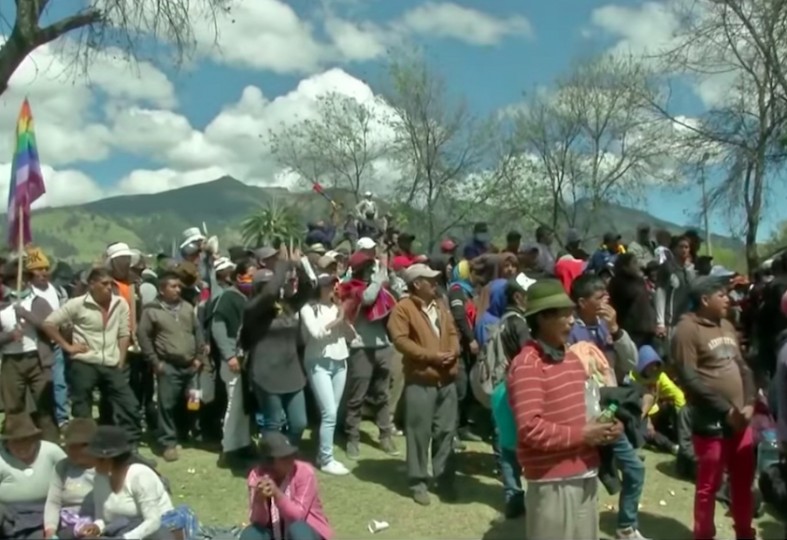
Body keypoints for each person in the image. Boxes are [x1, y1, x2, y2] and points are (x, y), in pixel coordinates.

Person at [507, 280, 622, 540]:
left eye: (572, 313)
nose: (572, 321)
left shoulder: (571, 359)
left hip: (586, 474)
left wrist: (607, 427)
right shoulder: (527, 365)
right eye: (565, 314)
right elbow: (530, 428)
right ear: (543, 318)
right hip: (552, 483)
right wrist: (583, 435)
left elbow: (586, 411)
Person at [672, 276, 756, 540]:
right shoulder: (687, 330)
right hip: (711, 424)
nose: (728, 299)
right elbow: (689, 378)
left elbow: (742, 367)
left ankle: (744, 532)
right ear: (705, 300)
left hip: (742, 422)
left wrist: (750, 404)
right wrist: (726, 410)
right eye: (722, 295)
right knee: (709, 486)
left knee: (743, 485)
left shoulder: (728, 325)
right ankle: (704, 534)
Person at [43, 267, 142, 447]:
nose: (109, 288)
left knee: (129, 404)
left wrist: (120, 360)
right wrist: (68, 346)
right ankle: (85, 446)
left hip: (111, 362)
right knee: (82, 407)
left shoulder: (120, 304)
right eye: (104, 284)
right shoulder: (77, 304)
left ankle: (130, 445)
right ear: (92, 284)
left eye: (111, 284)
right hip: (85, 361)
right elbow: (49, 323)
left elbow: (123, 333)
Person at [388, 264, 460, 506]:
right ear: (416, 283)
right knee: (419, 433)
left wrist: (453, 352)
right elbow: (400, 340)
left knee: (446, 431)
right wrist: (431, 357)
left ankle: (444, 479)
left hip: (447, 379)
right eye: (430, 280)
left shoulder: (441, 306)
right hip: (421, 379)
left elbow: (452, 332)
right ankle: (418, 481)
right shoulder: (403, 309)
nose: (435, 283)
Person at [243, 247, 310, 447]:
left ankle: (285, 456)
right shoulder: (251, 310)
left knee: (299, 423)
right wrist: (282, 265)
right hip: (266, 373)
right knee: (273, 423)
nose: (270, 288)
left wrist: (300, 266)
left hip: (292, 373)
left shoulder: (287, 306)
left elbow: (307, 289)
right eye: (264, 285)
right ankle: (272, 465)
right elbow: (270, 293)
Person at [137, 271, 207, 462]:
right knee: (167, 405)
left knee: (194, 401)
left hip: (191, 365)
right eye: (173, 286)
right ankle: (168, 442)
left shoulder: (186, 307)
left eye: (179, 286)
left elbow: (197, 331)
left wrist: (199, 356)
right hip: (168, 366)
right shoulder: (152, 311)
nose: (178, 289)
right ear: (162, 289)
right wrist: (154, 361)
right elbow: (143, 337)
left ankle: (190, 433)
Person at [338, 251, 398, 460]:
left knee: (383, 394)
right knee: (357, 396)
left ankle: (385, 435)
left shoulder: (378, 285)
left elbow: (392, 298)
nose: (370, 271)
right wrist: (379, 278)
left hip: (382, 345)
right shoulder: (349, 287)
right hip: (360, 346)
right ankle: (352, 438)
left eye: (371, 267)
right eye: (367, 267)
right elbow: (367, 298)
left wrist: (386, 274)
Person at [299, 274, 353, 476]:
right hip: (318, 362)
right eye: (328, 285)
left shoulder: (336, 307)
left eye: (334, 284)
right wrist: (336, 321)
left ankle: (324, 456)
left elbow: (351, 338)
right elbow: (317, 333)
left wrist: (344, 320)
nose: (332, 288)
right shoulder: (308, 308)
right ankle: (326, 459)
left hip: (340, 361)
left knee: (333, 412)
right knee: (329, 413)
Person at [0, 259, 59, 442]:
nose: (22, 283)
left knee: (44, 407)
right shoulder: (2, 307)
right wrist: (10, 336)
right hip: (11, 361)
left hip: (37, 359)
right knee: (14, 407)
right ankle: (16, 445)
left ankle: (51, 445)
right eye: (16, 280)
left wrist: (28, 316)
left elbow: (53, 328)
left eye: (26, 279)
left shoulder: (39, 303)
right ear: (8, 283)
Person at [83, 426, 174, 540]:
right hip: (121, 531)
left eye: (95, 457)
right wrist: (96, 527)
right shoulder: (99, 479)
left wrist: (124, 538)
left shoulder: (140, 476)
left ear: (108, 459)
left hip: (157, 533)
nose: (92, 461)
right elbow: (102, 518)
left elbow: (153, 522)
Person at [243, 432, 333, 540]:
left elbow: (298, 516)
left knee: (297, 529)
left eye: (291, 455)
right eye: (284, 458)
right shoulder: (256, 476)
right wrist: (259, 499)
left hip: (306, 533)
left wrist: (277, 495)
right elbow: (258, 521)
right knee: (252, 533)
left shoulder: (304, 472)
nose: (291, 460)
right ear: (269, 461)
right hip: (273, 534)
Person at [211, 259, 257, 467]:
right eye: (250, 275)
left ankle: (243, 443)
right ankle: (228, 449)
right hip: (233, 360)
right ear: (239, 277)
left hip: (246, 360)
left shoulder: (249, 297)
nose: (252, 280)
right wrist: (229, 355)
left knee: (243, 405)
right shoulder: (229, 297)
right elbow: (218, 328)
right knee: (233, 405)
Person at [0, 414, 66, 539]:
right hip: (7, 515)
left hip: (43, 513)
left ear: (35, 439)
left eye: (25, 440)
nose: (21, 446)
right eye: (15, 441)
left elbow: (71, 475)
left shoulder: (51, 451)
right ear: (6, 442)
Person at [26, 246, 70, 430]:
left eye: (45, 268)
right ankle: (38, 416)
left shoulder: (56, 290)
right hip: (36, 344)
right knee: (39, 384)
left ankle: (62, 418)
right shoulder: (26, 293)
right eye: (38, 269)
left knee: (59, 382)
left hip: (56, 342)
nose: (43, 273)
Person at [43, 418, 98, 538]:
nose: (74, 451)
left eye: (80, 446)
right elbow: (53, 502)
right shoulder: (62, 466)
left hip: (97, 525)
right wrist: (50, 531)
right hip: (68, 525)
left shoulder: (104, 467)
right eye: (71, 446)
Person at [608, 253, 658, 348]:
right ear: (625, 267)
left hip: (647, 329)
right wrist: (638, 277)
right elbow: (630, 293)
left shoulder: (638, 280)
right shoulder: (619, 282)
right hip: (634, 331)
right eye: (634, 263)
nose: (638, 265)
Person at [655, 235, 695, 343]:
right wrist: (660, 323)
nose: (684, 250)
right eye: (681, 247)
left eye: (686, 247)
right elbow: (660, 294)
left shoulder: (689, 270)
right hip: (670, 323)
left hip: (686, 322)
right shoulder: (667, 267)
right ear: (675, 249)